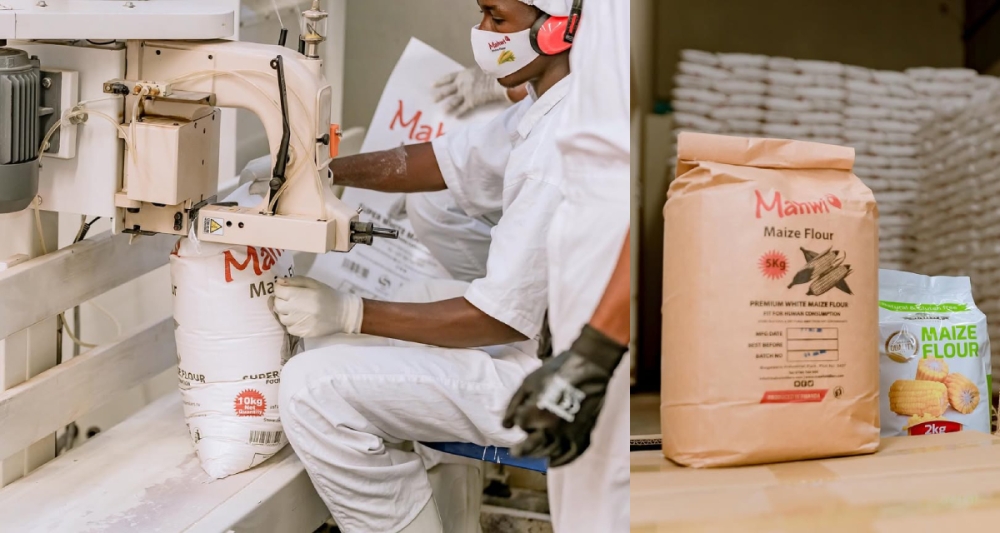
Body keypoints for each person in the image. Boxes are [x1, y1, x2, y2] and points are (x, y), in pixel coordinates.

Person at [272, 0, 577, 531]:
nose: (481, 33)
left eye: (496, 19)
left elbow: (497, 320)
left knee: (310, 388)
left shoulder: (558, 149)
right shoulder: (550, 103)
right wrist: (315, 170)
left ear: (556, 32)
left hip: (552, 384)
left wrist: (349, 312)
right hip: (549, 335)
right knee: (397, 314)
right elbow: (447, 161)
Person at [501, 0, 631, 531]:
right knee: (583, 498)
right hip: (592, 281)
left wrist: (594, 355)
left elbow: (646, 186)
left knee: (606, 501)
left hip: (613, 293)